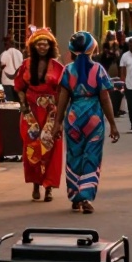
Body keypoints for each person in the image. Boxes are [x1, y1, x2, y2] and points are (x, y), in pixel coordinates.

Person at [54, 32, 120, 213]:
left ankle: (75, 195)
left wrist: (57, 123)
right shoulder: (98, 69)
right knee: (91, 156)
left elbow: (63, 98)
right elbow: (105, 99)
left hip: (74, 119)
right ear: (93, 48)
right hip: (94, 119)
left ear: (73, 51)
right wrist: (113, 124)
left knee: (74, 156)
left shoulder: (68, 70)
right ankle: (85, 197)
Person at [14, 29, 65, 203]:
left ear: (51, 46)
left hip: (51, 112)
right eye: (39, 43)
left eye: (46, 43)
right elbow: (19, 87)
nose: (42, 46)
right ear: (33, 46)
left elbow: (63, 92)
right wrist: (23, 105)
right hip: (31, 112)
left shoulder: (58, 67)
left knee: (51, 147)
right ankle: (36, 184)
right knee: (32, 148)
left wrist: (61, 115)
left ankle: (49, 187)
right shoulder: (26, 65)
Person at [0, 36, 23, 102]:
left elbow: (1, 64)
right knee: (18, 102)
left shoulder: (5, 53)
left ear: (8, 44)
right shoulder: (19, 53)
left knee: (9, 103)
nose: (4, 46)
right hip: (17, 81)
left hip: (7, 81)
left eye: (5, 44)